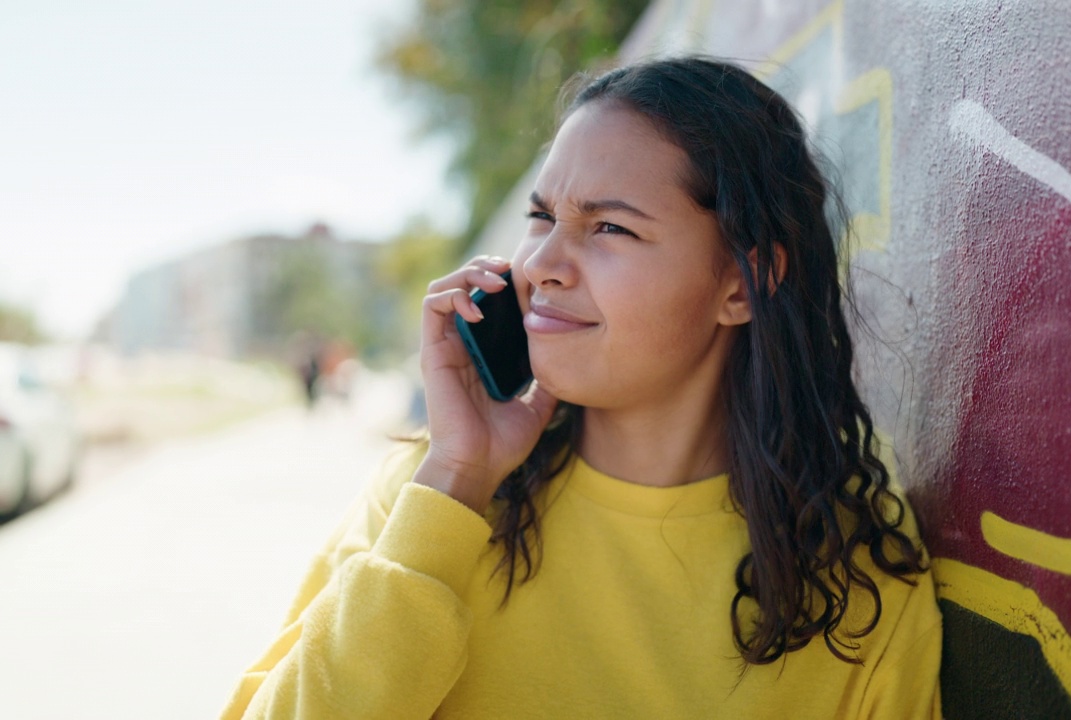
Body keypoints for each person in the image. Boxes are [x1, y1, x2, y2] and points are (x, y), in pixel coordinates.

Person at [221, 55, 942, 719]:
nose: (541, 264)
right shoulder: (434, 494)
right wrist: (454, 483)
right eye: (542, 217)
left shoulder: (855, 569)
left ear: (744, 284)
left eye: (609, 228)